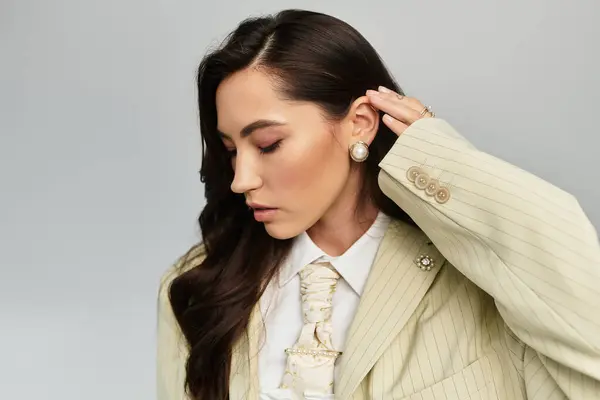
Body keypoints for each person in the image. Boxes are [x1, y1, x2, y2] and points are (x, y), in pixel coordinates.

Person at [156, 9, 600, 400]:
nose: (240, 180)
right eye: (232, 150)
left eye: (268, 144)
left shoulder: (482, 279)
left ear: (360, 124)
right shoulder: (200, 287)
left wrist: (444, 163)